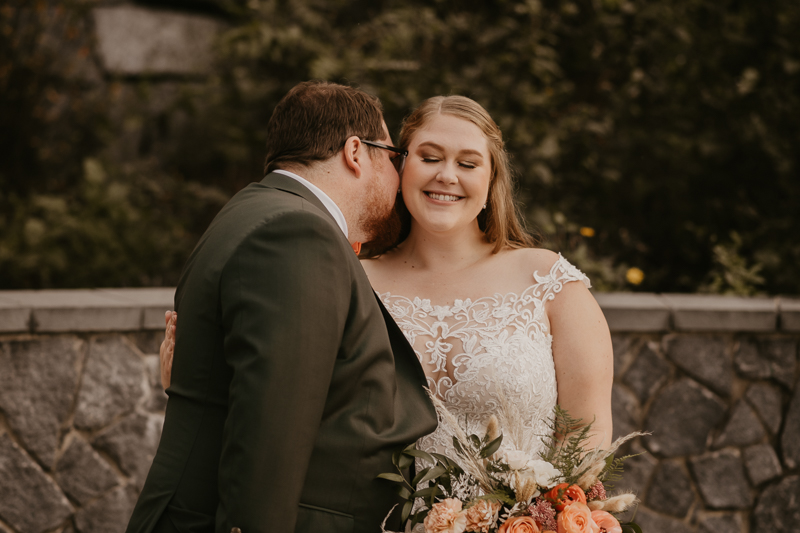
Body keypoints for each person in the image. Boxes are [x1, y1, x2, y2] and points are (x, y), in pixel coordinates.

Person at [161, 94, 613, 502]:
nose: (446, 175)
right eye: (429, 157)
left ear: (492, 179)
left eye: (468, 163)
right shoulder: (345, 278)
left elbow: (586, 448)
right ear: (399, 166)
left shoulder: (550, 283)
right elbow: (286, 405)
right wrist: (195, 383)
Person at [127, 81, 437, 533]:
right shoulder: (298, 234)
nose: (398, 177)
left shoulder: (252, 211)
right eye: (392, 157)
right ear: (355, 152)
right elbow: (270, 438)